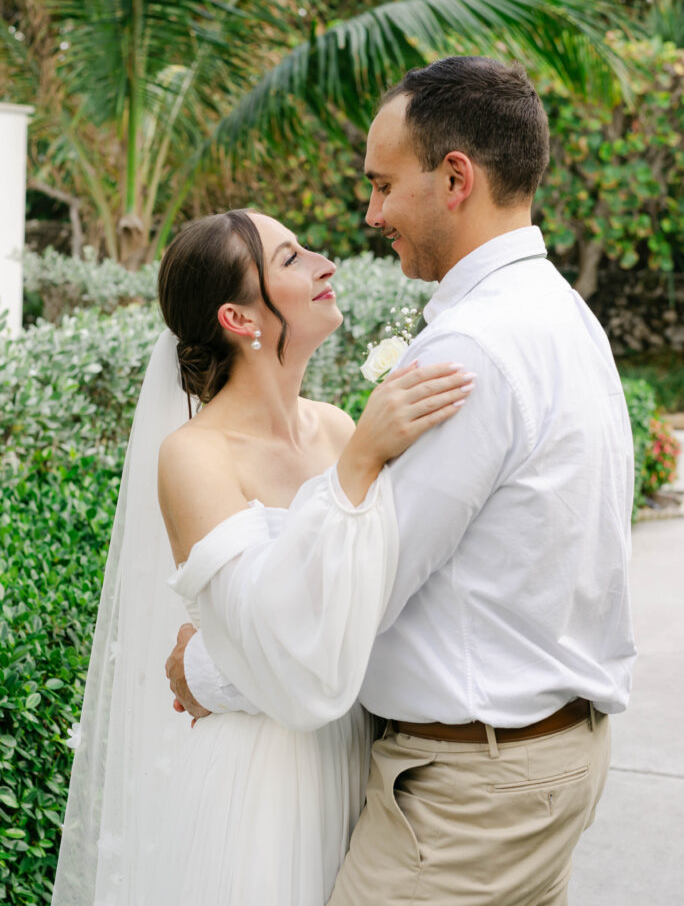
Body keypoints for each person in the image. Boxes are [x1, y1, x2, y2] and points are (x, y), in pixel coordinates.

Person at [167, 57, 637, 906]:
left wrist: (209, 673)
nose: (371, 214)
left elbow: (365, 582)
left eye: (384, 185)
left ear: (456, 178)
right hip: (535, 764)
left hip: (470, 797)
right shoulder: (563, 316)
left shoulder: (471, 352)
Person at [51, 208, 472, 906]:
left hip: (358, 756)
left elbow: (383, 602)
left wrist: (203, 669)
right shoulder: (195, 456)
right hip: (263, 781)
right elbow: (273, 636)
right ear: (240, 320)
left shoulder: (338, 426)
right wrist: (362, 462)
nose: (324, 262)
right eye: (290, 258)